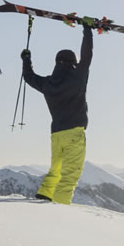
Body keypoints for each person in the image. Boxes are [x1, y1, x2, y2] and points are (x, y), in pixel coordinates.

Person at [21, 18, 98, 204]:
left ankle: (45, 195)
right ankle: (60, 213)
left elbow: (29, 77)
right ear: (73, 62)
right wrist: (87, 30)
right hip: (74, 133)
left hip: (56, 134)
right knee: (70, 175)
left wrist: (26, 60)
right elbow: (87, 55)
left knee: (56, 169)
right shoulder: (78, 76)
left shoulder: (48, 83)